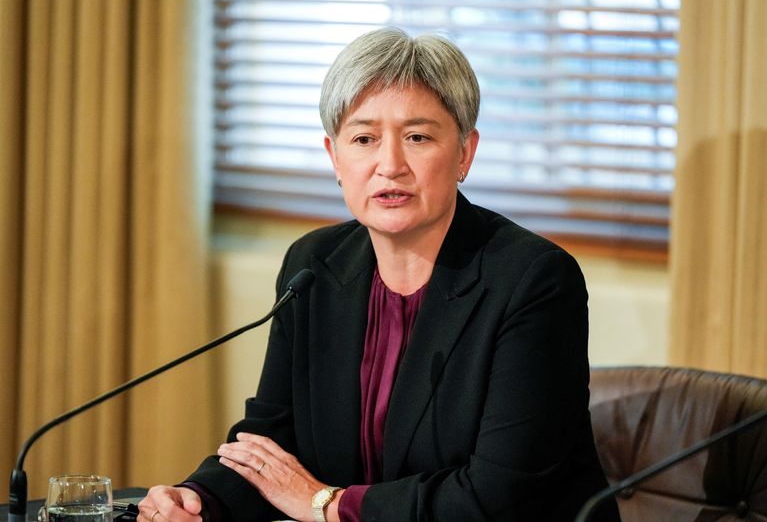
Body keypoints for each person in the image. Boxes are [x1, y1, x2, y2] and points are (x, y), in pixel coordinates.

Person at [137, 27, 620, 522]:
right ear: (335, 159)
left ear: (464, 154)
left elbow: (497, 495)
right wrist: (196, 500)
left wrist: (326, 504)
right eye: (364, 138)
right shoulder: (313, 266)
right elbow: (272, 440)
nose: (389, 165)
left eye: (417, 137)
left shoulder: (532, 280)